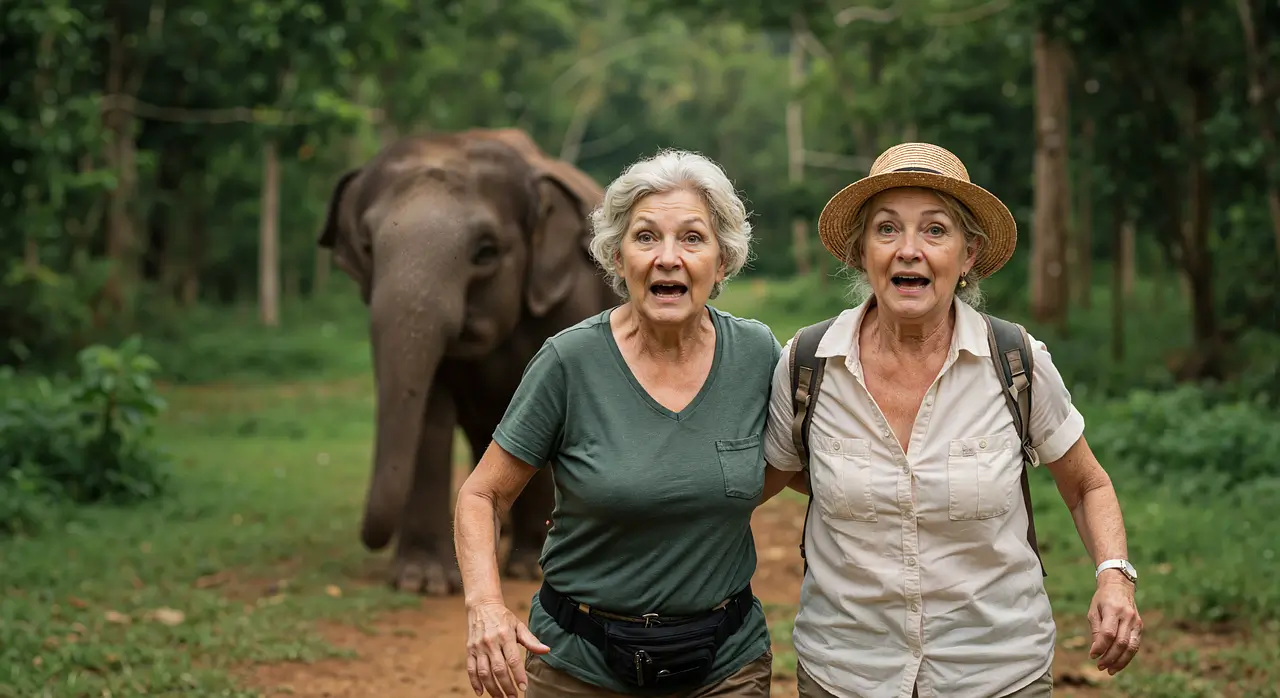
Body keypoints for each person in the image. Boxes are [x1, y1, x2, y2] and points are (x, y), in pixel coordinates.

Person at [762, 143, 1144, 698]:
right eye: (887, 230)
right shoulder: (808, 364)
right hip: (846, 673)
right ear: (860, 252)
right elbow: (754, 484)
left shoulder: (1016, 361)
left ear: (968, 255)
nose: (909, 251)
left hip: (996, 672)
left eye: (936, 231)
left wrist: (1114, 576)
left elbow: (1087, 485)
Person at [454, 148, 795, 698]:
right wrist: (486, 605)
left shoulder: (755, 353)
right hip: (578, 661)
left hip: (726, 661)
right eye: (645, 237)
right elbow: (482, 496)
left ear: (722, 260)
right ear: (616, 258)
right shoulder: (569, 362)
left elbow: (792, 462)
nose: (668, 258)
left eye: (692, 237)